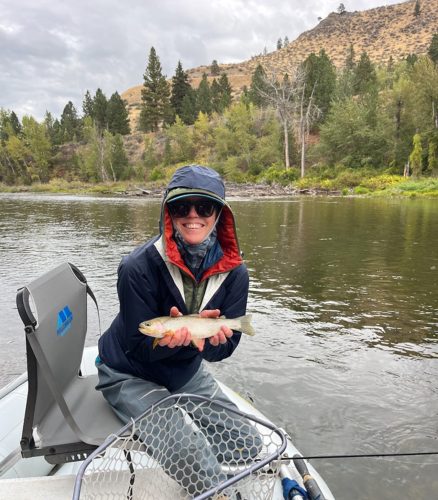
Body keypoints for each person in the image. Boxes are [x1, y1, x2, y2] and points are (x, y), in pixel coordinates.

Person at [96, 164, 258, 496]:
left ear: (219, 214)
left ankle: (198, 456)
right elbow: (136, 346)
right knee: (190, 454)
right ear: (169, 211)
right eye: (182, 206)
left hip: (183, 368)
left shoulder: (236, 274)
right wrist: (170, 343)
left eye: (205, 206)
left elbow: (222, 351)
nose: (193, 215)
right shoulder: (136, 268)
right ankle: (212, 484)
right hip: (127, 371)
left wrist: (209, 342)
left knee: (248, 444)